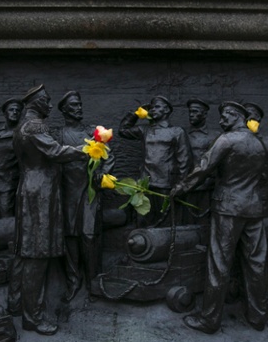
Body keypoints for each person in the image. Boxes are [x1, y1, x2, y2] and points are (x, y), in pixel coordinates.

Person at [171, 101, 268, 334]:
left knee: (219, 263)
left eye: (225, 116)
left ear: (237, 116)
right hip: (253, 208)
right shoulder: (258, 143)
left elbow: (203, 168)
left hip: (228, 209)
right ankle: (257, 316)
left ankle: (210, 319)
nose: (221, 120)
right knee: (256, 263)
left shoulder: (226, 140)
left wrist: (180, 188)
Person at [13, 85, 86, 335]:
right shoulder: (34, 126)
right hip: (39, 192)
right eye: (46, 101)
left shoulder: (28, 124)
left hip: (39, 189)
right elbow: (55, 151)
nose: (50, 105)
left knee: (32, 254)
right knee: (37, 254)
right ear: (35, 103)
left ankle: (22, 305)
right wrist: (88, 150)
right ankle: (32, 317)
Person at [57, 91, 114, 302]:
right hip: (68, 192)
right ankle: (73, 281)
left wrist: (102, 174)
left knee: (90, 236)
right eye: (74, 105)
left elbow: (109, 156)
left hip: (90, 191)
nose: (79, 108)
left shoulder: (94, 132)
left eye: (80, 104)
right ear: (64, 110)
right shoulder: (59, 135)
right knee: (70, 237)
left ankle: (94, 282)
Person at [119, 96, 192, 226]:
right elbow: (123, 130)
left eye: (157, 107)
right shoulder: (145, 130)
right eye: (151, 108)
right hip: (145, 184)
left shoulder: (177, 132)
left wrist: (181, 186)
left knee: (165, 222)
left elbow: (184, 161)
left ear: (167, 110)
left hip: (166, 185)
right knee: (143, 222)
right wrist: (136, 113)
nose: (153, 110)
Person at [184, 98, 219, 224]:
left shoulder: (215, 136)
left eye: (195, 112)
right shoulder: (182, 134)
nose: (191, 115)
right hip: (186, 186)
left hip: (207, 187)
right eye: (189, 112)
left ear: (204, 114)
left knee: (205, 223)